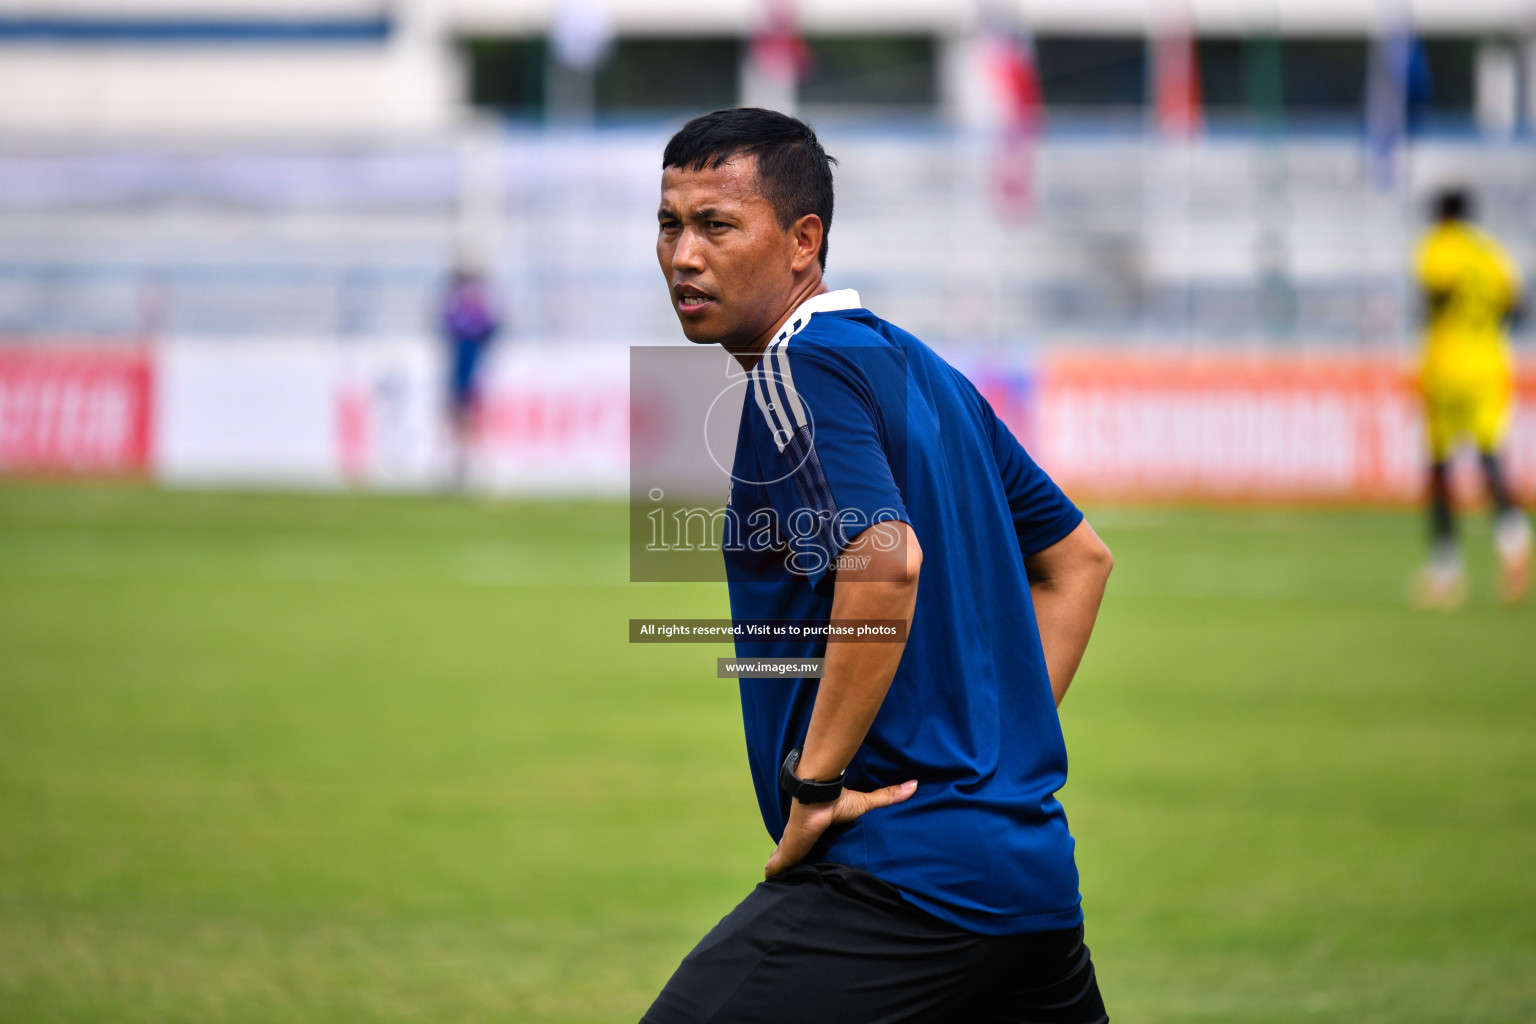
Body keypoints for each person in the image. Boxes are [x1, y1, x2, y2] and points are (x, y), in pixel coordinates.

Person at [643, 107, 1114, 1024]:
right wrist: (987, 756)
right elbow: (1079, 562)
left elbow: (884, 563)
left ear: (802, 241)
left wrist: (813, 790)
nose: (682, 256)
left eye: (716, 225)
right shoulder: (923, 368)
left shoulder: (797, 373)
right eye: (670, 224)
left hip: (897, 884)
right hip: (1026, 879)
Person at [1411, 187, 1531, 609]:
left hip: (1447, 368)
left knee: (1439, 469)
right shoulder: (1493, 254)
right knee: (1491, 458)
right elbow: (1518, 310)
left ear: (1442, 215)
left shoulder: (1439, 249)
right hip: (1491, 368)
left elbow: (1433, 302)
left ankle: (1446, 571)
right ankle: (1513, 539)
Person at [439, 263, 501, 484]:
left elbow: (492, 329)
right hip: (460, 374)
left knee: (467, 421)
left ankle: (467, 465)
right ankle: (459, 464)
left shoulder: (474, 313)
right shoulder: (461, 311)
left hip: (470, 376)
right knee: (456, 420)